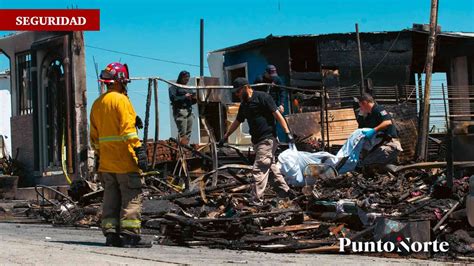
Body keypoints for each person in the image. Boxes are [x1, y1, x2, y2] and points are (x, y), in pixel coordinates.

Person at [90, 62, 151, 248]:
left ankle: (111, 235)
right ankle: (130, 236)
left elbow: (95, 136)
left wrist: (99, 156)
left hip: (107, 163)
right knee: (131, 197)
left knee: (111, 199)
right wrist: (139, 151)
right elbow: (128, 132)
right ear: (119, 80)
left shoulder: (97, 104)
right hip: (125, 161)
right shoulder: (122, 100)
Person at [219, 77, 296, 204]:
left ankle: (256, 199)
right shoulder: (244, 105)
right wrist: (225, 136)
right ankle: (287, 192)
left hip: (267, 139)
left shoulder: (263, 97)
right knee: (270, 169)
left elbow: (277, 115)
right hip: (257, 141)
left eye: (238, 92)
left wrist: (287, 132)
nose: (237, 95)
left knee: (259, 168)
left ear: (245, 88)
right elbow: (237, 121)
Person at [356, 93, 403, 169]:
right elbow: (362, 127)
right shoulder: (370, 116)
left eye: (360, 105)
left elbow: (387, 122)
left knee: (365, 164)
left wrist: (374, 131)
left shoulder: (378, 109)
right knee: (365, 163)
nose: (360, 108)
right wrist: (361, 115)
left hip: (390, 145)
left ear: (365, 103)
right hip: (380, 147)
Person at [169, 71, 197, 144]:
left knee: (188, 132)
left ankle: (185, 147)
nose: (187, 79)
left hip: (189, 110)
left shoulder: (188, 88)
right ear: (181, 77)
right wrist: (185, 96)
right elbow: (173, 98)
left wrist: (193, 98)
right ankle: (181, 148)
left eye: (188, 78)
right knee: (182, 132)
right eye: (185, 78)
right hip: (180, 110)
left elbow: (193, 101)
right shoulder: (174, 87)